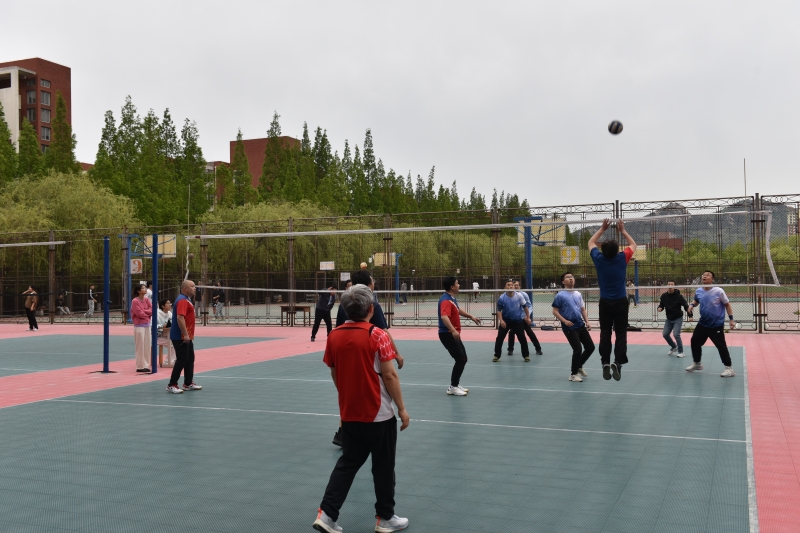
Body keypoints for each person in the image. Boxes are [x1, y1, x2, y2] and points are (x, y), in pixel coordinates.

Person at [313, 285, 410, 533]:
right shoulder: (377, 335)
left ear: (345, 309)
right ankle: (385, 517)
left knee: (347, 463)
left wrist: (346, 395)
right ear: (371, 309)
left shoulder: (333, 336)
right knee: (383, 466)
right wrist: (401, 408)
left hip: (350, 413)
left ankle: (327, 514)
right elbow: (390, 375)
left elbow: (334, 372)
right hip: (379, 415)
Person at [332, 271, 403, 447]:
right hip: (365, 354)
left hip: (346, 355)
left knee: (349, 394)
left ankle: (343, 431)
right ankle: (372, 429)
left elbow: (339, 329)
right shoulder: (372, 305)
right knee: (375, 391)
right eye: (373, 280)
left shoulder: (345, 305)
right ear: (369, 284)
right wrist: (396, 353)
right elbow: (384, 331)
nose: (374, 283)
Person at [588, 219, 636, 381]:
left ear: (603, 250)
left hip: (605, 303)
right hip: (621, 302)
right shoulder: (622, 258)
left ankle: (605, 362)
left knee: (605, 332)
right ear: (617, 251)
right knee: (621, 332)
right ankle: (618, 362)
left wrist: (602, 229)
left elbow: (590, 242)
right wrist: (623, 231)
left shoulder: (598, 259)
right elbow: (633, 245)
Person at [685, 271, 736, 377]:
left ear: (712, 279)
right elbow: (696, 301)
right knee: (694, 341)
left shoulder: (718, 291)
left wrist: (731, 319)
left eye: (708, 275)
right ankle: (697, 363)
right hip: (703, 323)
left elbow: (727, 304)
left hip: (716, 324)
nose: (705, 276)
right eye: (703, 275)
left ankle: (729, 368)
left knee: (721, 346)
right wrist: (691, 305)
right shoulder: (699, 290)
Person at [438, 276, 481, 396]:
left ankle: (455, 384)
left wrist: (471, 316)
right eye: (457, 283)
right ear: (452, 286)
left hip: (452, 334)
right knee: (461, 359)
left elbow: (458, 310)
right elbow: (444, 317)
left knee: (463, 358)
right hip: (447, 334)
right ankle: (453, 387)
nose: (459, 285)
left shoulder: (451, 299)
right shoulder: (446, 300)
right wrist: (453, 330)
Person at [552, 272, 595, 382]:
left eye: (572, 277)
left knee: (590, 347)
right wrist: (565, 321)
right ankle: (573, 374)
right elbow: (555, 311)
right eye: (568, 277)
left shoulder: (578, 294)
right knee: (577, 349)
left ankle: (579, 366)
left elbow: (582, 309)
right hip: (569, 326)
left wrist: (587, 322)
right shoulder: (560, 295)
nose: (571, 279)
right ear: (563, 282)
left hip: (580, 324)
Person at [167, 280, 202, 393]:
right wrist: (185, 334)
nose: (195, 288)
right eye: (192, 286)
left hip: (187, 335)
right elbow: (180, 317)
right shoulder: (182, 300)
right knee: (182, 359)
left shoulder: (187, 299)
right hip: (180, 336)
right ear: (185, 289)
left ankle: (188, 383)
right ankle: (172, 384)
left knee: (190, 358)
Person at [493, 280, 531, 362]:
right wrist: (501, 321)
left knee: (522, 338)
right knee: (499, 338)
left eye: (512, 285)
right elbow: (499, 311)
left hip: (517, 321)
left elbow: (525, 307)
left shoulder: (519, 296)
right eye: (508, 285)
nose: (510, 286)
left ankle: (526, 356)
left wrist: (528, 317)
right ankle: (496, 355)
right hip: (506, 321)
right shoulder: (502, 298)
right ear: (505, 287)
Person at [507, 280, 543, 356]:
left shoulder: (524, 294)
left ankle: (538, 349)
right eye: (514, 285)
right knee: (511, 332)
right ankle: (510, 349)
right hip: (515, 319)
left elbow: (529, 306)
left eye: (517, 285)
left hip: (524, 318)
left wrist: (527, 316)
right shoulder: (510, 295)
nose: (515, 287)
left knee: (530, 333)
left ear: (519, 286)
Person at [657, 281, 690, 357]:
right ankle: (674, 346)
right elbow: (661, 305)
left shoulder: (679, 296)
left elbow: (686, 306)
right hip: (669, 319)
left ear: (674, 286)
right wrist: (659, 308)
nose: (670, 286)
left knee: (676, 334)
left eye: (672, 284)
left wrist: (690, 315)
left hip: (678, 318)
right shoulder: (664, 296)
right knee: (665, 334)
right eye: (668, 284)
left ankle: (681, 352)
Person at [131, 284, 152, 373]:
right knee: (140, 346)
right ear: (138, 291)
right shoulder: (135, 301)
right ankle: (140, 366)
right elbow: (139, 313)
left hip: (147, 325)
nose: (145, 289)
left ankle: (146, 365)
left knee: (147, 346)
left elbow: (152, 310)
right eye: (143, 288)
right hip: (139, 325)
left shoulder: (147, 300)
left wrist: (145, 311)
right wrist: (147, 313)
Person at [157, 298, 175, 367]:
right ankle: (168, 361)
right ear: (162, 306)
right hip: (157, 337)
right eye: (168, 303)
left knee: (177, 342)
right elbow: (152, 326)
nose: (170, 305)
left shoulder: (170, 313)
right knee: (172, 344)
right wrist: (162, 326)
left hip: (168, 335)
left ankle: (172, 360)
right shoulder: (157, 314)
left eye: (170, 303)